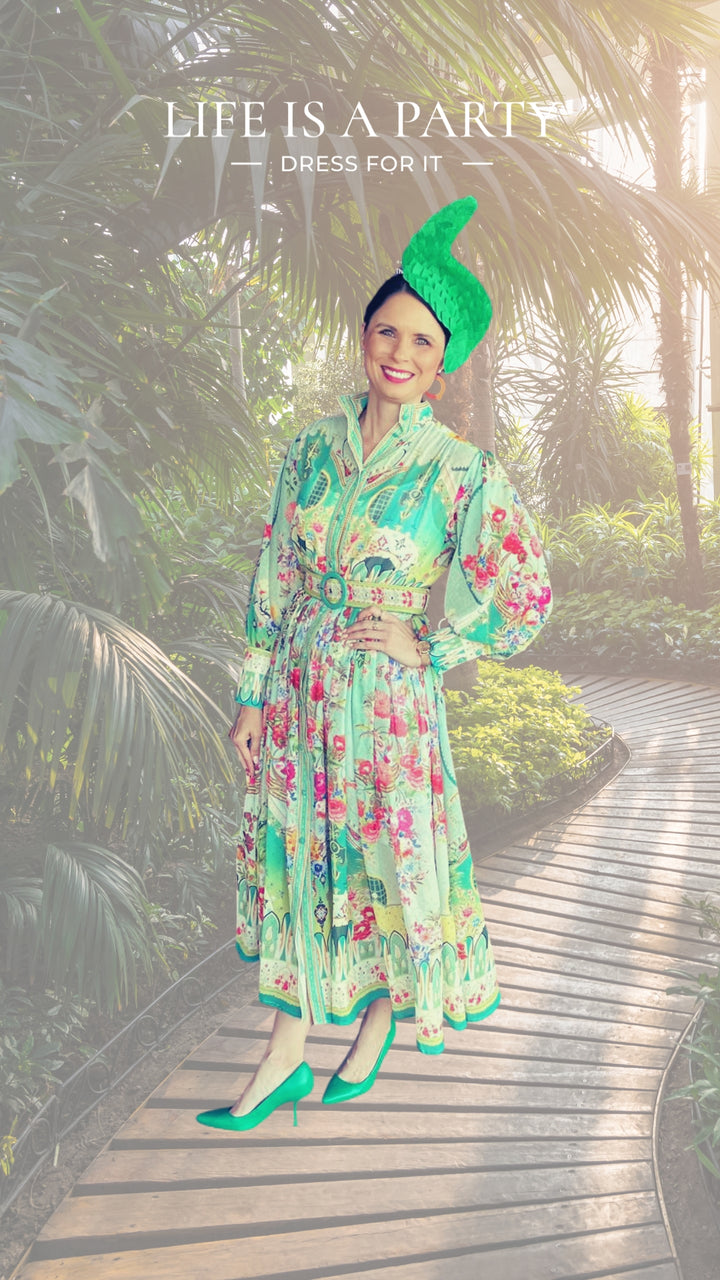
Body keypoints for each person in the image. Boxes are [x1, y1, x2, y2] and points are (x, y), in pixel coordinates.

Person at [196, 196, 553, 1132]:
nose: (398, 352)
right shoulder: (309, 450)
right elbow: (275, 568)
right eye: (385, 330)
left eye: (422, 343)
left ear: (443, 367)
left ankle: (385, 1013)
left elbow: (525, 595)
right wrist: (249, 691)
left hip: (388, 702)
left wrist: (431, 644)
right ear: (364, 336)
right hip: (301, 684)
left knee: (383, 860)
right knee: (299, 857)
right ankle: (280, 1055)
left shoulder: (460, 472)